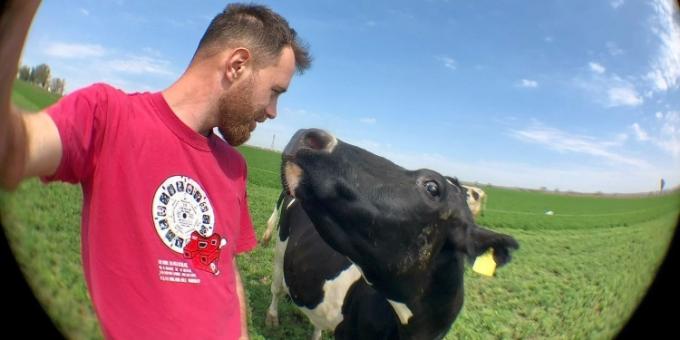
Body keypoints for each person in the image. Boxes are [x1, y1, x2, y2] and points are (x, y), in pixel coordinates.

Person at [0, 1, 311, 339]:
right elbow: (13, 150)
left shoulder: (234, 166)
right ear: (237, 65)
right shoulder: (108, 116)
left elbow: (225, 266)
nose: (273, 111)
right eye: (274, 92)